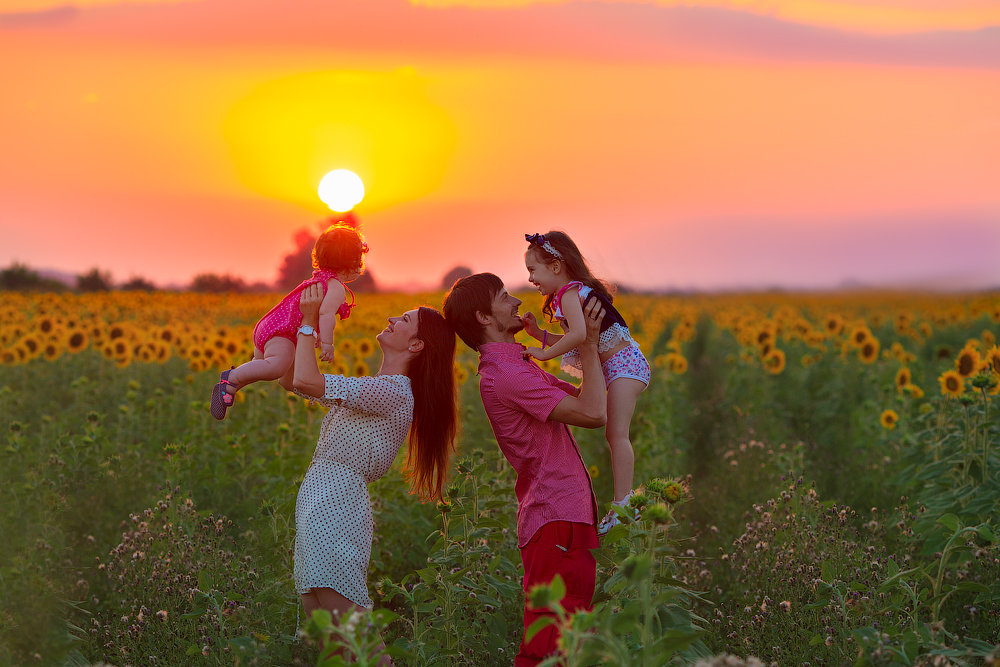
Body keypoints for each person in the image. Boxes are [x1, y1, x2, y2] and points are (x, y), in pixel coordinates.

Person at [442, 273, 607, 667]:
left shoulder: (519, 364)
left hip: (564, 515)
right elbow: (594, 412)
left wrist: (578, 341)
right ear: (484, 317)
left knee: (570, 643)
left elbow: (588, 395)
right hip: (556, 519)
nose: (516, 301)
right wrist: (586, 341)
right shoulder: (511, 376)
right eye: (503, 297)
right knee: (548, 647)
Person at [288, 282, 457, 661]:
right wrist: (283, 332)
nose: (392, 318)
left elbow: (304, 380)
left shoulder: (395, 391)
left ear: (416, 346)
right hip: (319, 501)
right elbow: (293, 378)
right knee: (329, 639)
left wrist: (309, 321)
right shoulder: (378, 388)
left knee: (356, 637)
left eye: (405, 319)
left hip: (336, 507)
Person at [520, 231, 651, 535]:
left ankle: (624, 505)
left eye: (532, 270)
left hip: (625, 365)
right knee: (611, 432)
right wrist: (537, 333)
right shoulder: (570, 294)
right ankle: (621, 505)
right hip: (617, 365)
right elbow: (574, 338)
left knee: (617, 434)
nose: (529, 279)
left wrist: (544, 354)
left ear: (555, 266)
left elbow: (578, 336)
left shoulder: (569, 293)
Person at [210, 223, 367, 420]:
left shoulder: (318, 279)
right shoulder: (335, 287)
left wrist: (314, 334)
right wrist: (327, 343)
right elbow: (326, 315)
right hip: (281, 332)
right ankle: (230, 379)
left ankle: (229, 389)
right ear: (353, 263)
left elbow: (314, 312)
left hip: (269, 325)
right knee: (275, 367)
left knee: (259, 368)